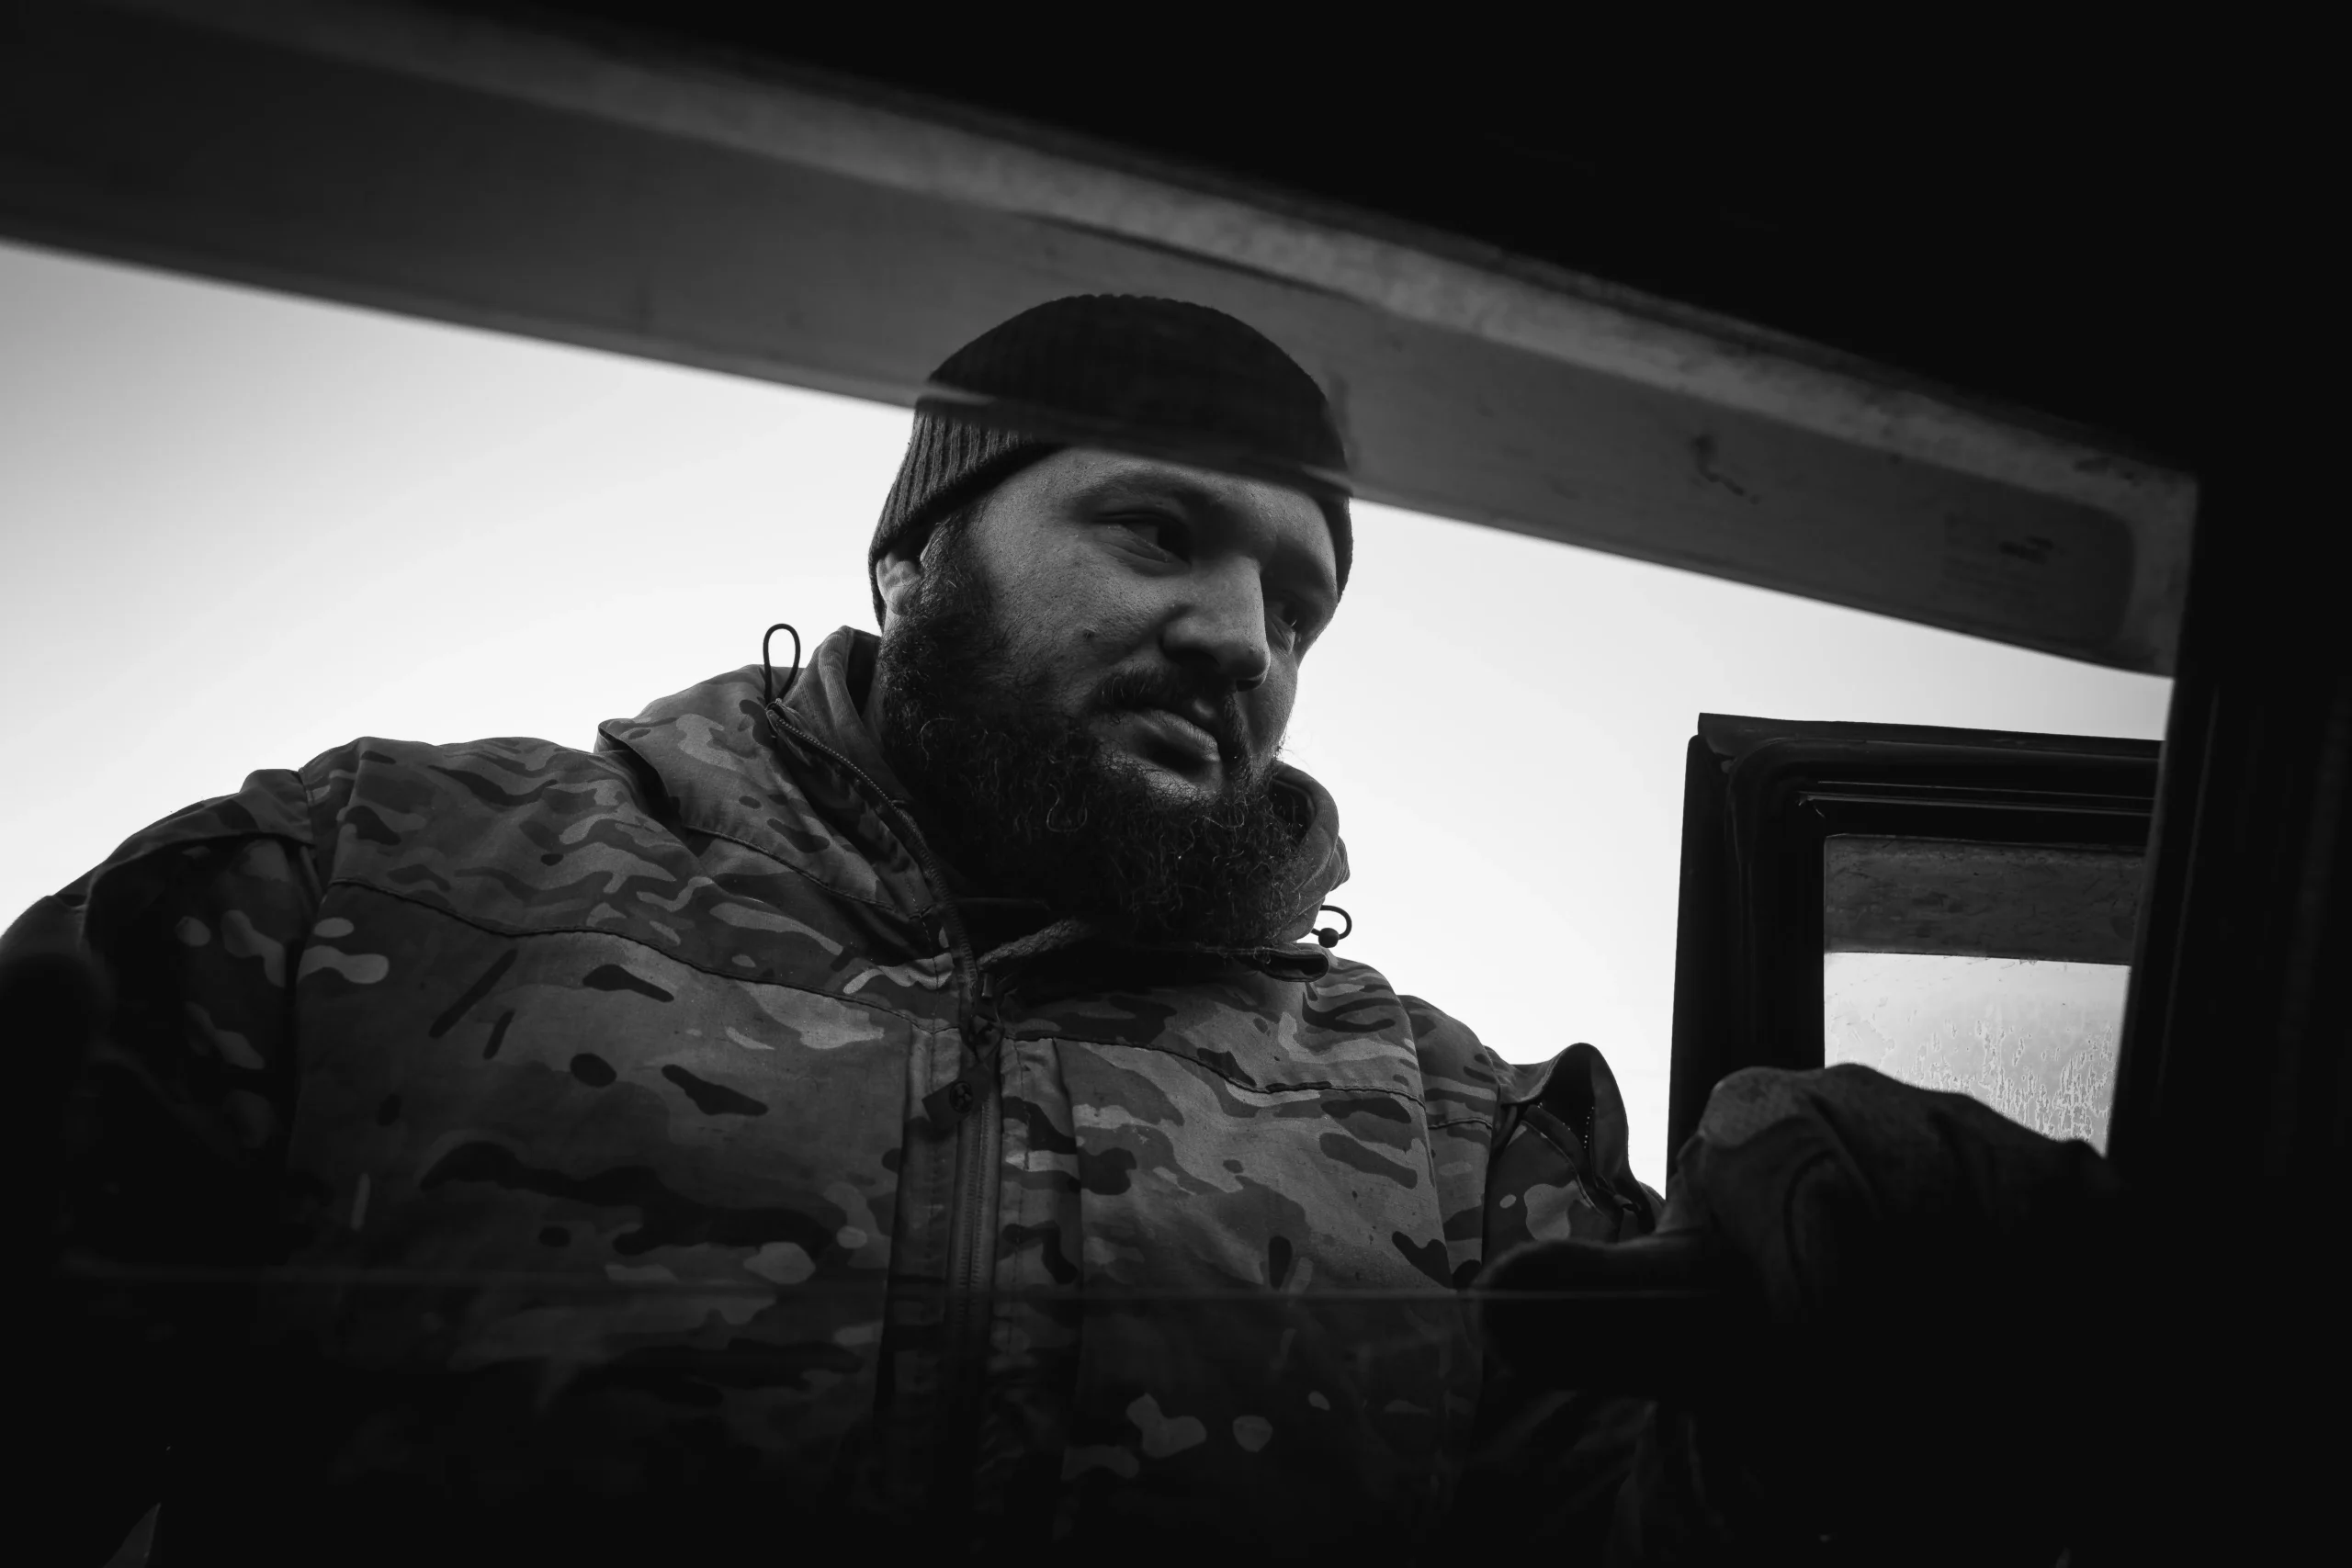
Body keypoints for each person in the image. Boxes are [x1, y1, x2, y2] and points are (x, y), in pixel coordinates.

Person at [6, 296, 2128, 1564]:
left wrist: (1868, 1391)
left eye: (1297, 601)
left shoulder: (1439, 1122)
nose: (1238, 637)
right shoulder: (368, 884)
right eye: (1153, 529)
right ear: (918, 555)